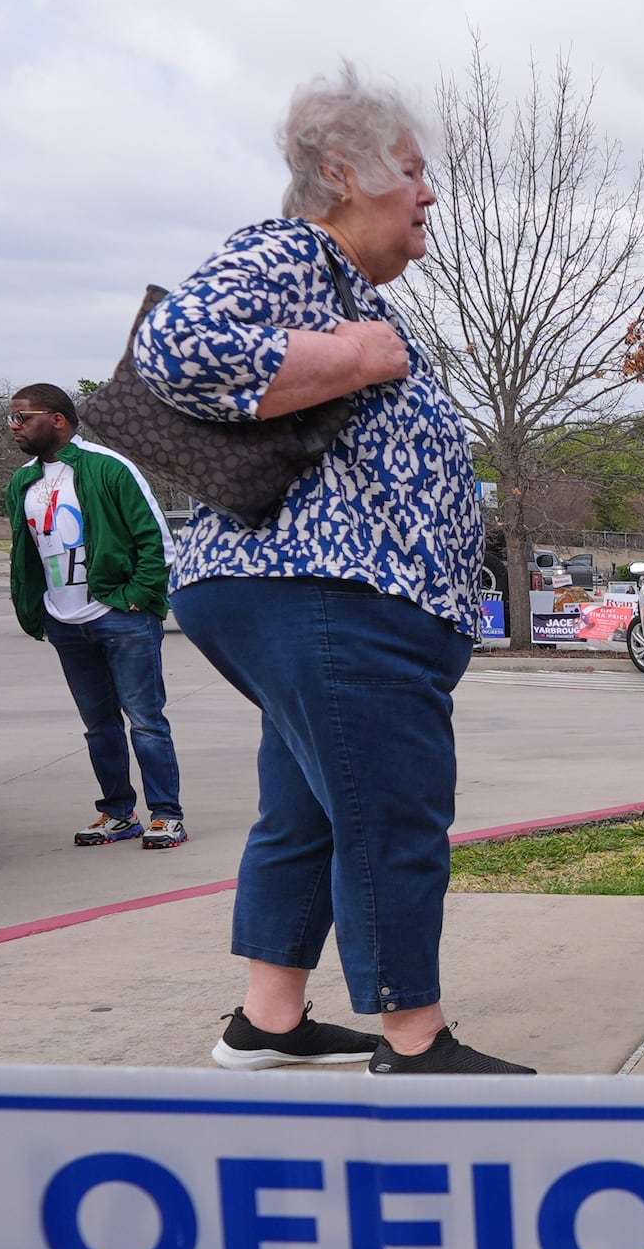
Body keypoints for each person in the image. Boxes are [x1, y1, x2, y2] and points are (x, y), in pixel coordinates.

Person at [135, 63, 521, 1076]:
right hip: (327, 589)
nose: (429, 193)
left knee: (307, 808)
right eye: (413, 171)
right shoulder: (293, 249)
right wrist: (362, 358)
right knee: (393, 808)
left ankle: (268, 1021)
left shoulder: (337, 283)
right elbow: (176, 347)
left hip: (319, 593)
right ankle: (414, 1038)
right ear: (343, 173)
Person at [1, 383, 185, 851]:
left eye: (23, 417)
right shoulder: (23, 481)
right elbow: (26, 554)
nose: (14, 426)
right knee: (98, 725)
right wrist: (37, 609)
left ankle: (166, 814)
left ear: (57, 419)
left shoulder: (109, 467)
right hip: (65, 620)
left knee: (145, 719)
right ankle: (118, 813)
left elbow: (156, 542)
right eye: (12, 418)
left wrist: (136, 598)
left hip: (120, 616)